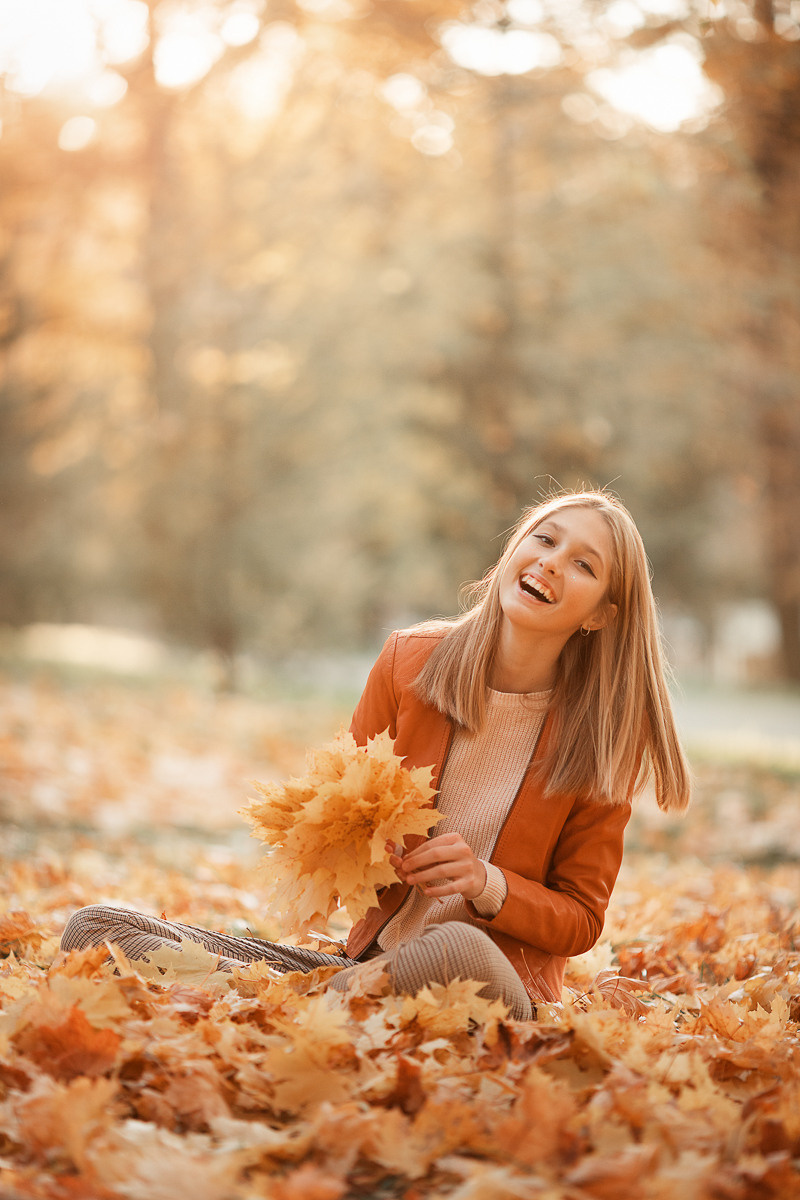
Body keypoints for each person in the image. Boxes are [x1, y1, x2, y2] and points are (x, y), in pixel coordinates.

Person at [59, 489, 690, 1021]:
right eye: (546, 540)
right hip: (368, 967)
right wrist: (360, 845)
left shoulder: (602, 738)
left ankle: (268, 1004)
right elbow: (331, 827)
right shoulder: (409, 662)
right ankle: (293, 1005)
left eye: (585, 564)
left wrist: (486, 883)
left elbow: (581, 919)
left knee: (458, 945)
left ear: (603, 614)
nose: (552, 563)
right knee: (96, 926)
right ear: (515, 551)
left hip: (493, 987)